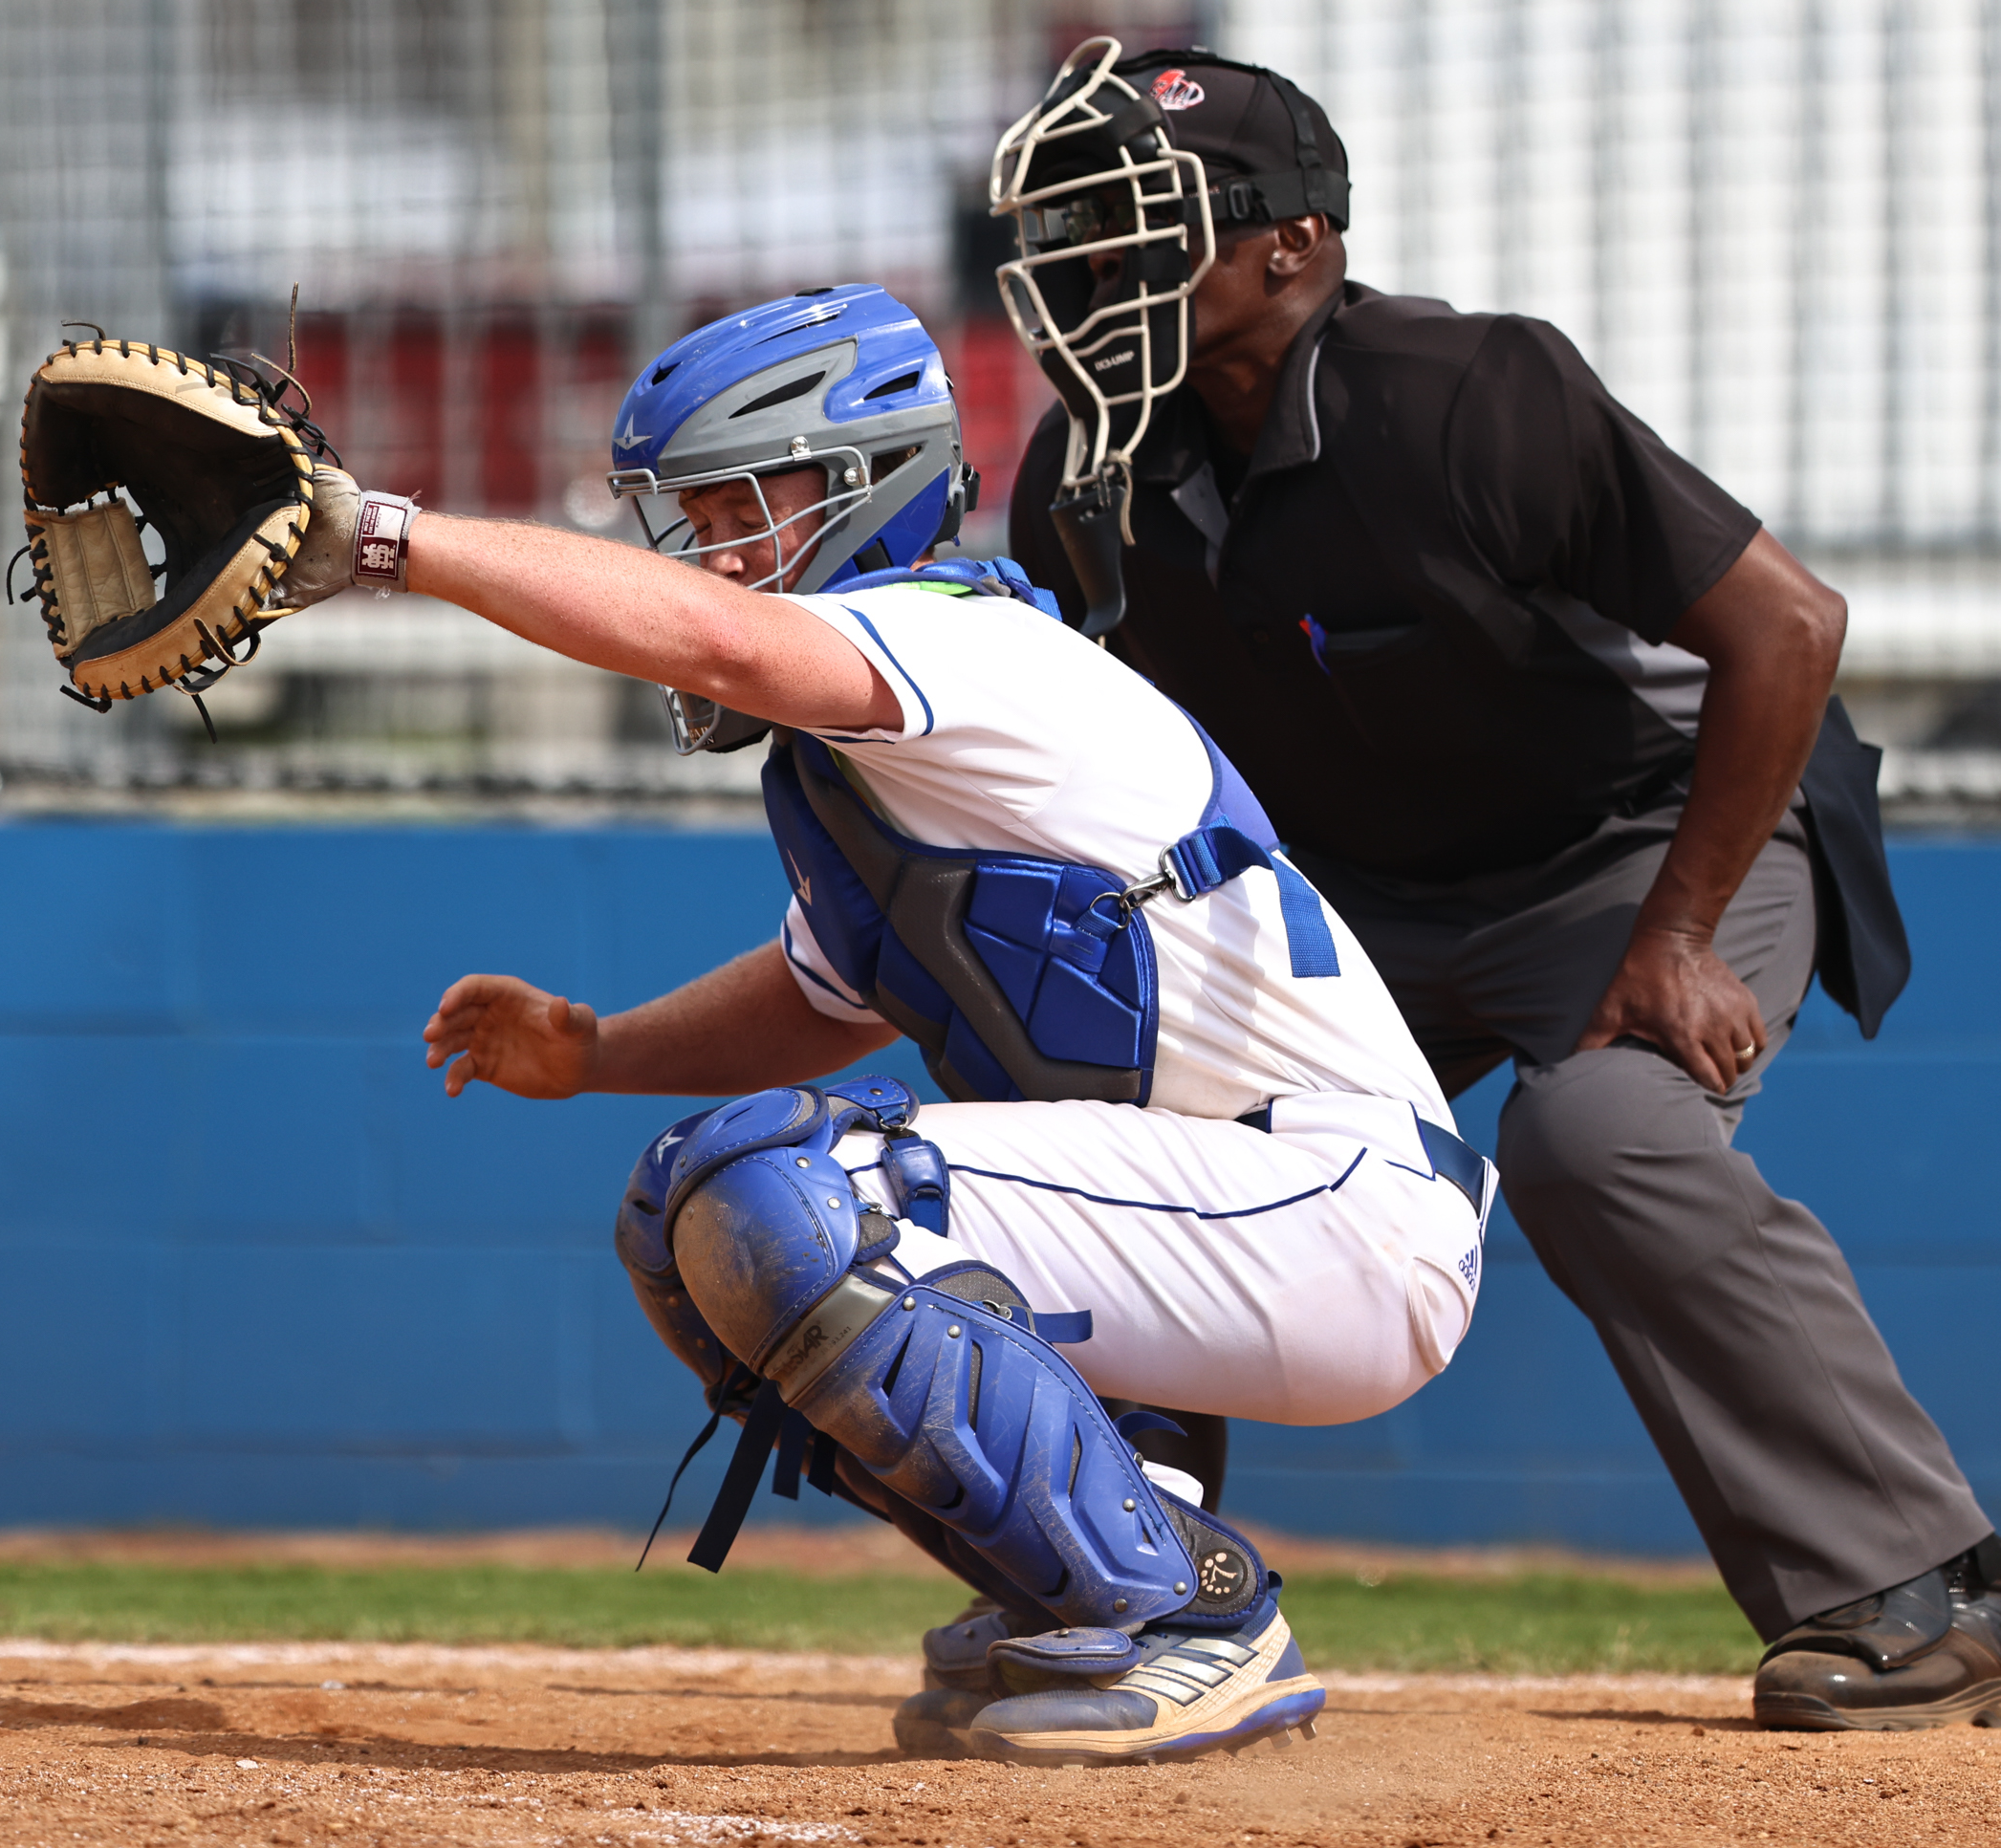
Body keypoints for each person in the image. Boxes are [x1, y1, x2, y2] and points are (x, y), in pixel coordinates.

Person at [274, 283, 1495, 1765]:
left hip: (1333, 1205)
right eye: (695, 516)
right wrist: (598, 1053)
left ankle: (1196, 1617)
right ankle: (1091, 1577)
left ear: (868, 488)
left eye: (743, 503)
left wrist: (392, 540)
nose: (714, 548)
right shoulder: (871, 774)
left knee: (784, 1197)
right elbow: (813, 997)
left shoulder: (962, 642)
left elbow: (719, 643)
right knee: (685, 1209)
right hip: (1230, 1210)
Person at [992, 39, 2001, 1732]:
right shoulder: (1082, 479)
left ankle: (1918, 1590)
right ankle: (1118, 1583)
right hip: (1363, 900)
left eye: (1143, 229)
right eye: (1075, 237)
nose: (1095, 277)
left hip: (1649, 843)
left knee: (1597, 1136)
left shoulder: (1467, 394)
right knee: (1109, 1125)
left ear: (1291, 249)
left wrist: (1677, 932)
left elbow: (1790, 629)